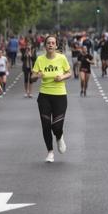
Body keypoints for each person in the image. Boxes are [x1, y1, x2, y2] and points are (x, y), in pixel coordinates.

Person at [31, 35, 72, 163]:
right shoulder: (40, 59)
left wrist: (62, 77)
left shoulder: (62, 58)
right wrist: (37, 75)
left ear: (56, 46)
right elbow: (32, 78)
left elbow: (69, 73)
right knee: (46, 125)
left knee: (57, 126)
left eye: (53, 43)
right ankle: (50, 152)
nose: (50, 45)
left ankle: (59, 137)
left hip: (60, 95)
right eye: (48, 43)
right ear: (45, 45)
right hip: (44, 96)